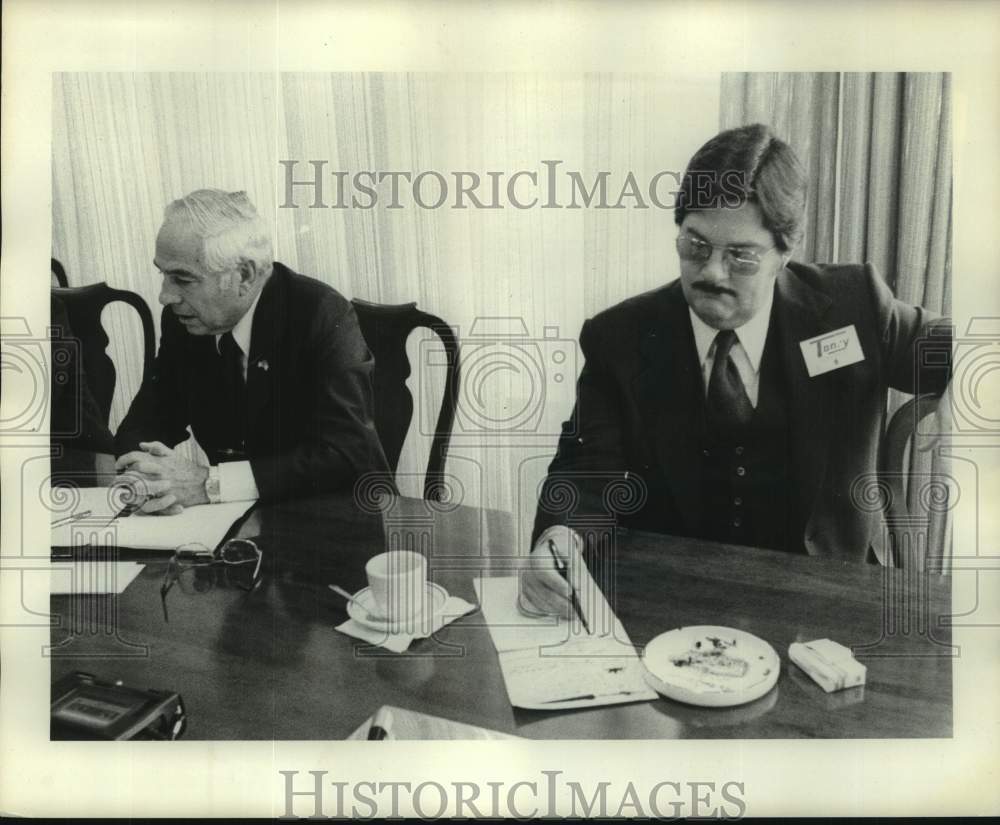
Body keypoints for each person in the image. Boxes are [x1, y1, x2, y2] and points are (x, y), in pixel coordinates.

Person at [524, 123, 953, 616]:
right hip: (676, 601)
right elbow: (585, 469)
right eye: (696, 245)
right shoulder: (620, 335)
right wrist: (558, 540)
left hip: (828, 604)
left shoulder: (852, 309)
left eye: (741, 257)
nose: (712, 273)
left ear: (786, 252)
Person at [113, 188, 390, 514]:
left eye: (183, 279)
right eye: (164, 275)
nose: (165, 296)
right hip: (234, 527)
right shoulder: (185, 320)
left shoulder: (319, 314)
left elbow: (347, 455)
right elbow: (149, 418)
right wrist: (145, 474)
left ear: (243, 275)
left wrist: (209, 484)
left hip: (336, 521)